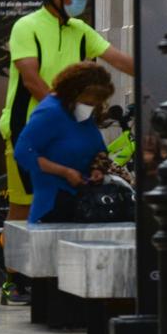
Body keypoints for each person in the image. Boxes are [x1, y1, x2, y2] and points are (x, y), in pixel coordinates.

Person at [0, 0, 135, 296]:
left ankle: (54, 279)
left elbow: (118, 59)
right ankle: (13, 280)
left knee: (66, 200)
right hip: (28, 127)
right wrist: (63, 113)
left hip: (71, 133)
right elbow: (31, 78)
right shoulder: (26, 27)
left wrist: (161, 73)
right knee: (24, 204)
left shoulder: (80, 31)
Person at [14, 61, 114, 223]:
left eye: (96, 103)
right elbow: (23, 152)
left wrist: (97, 169)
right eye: (88, 102)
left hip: (83, 201)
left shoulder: (82, 114)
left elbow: (98, 148)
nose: (92, 107)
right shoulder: (50, 112)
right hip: (53, 203)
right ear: (73, 92)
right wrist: (65, 172)